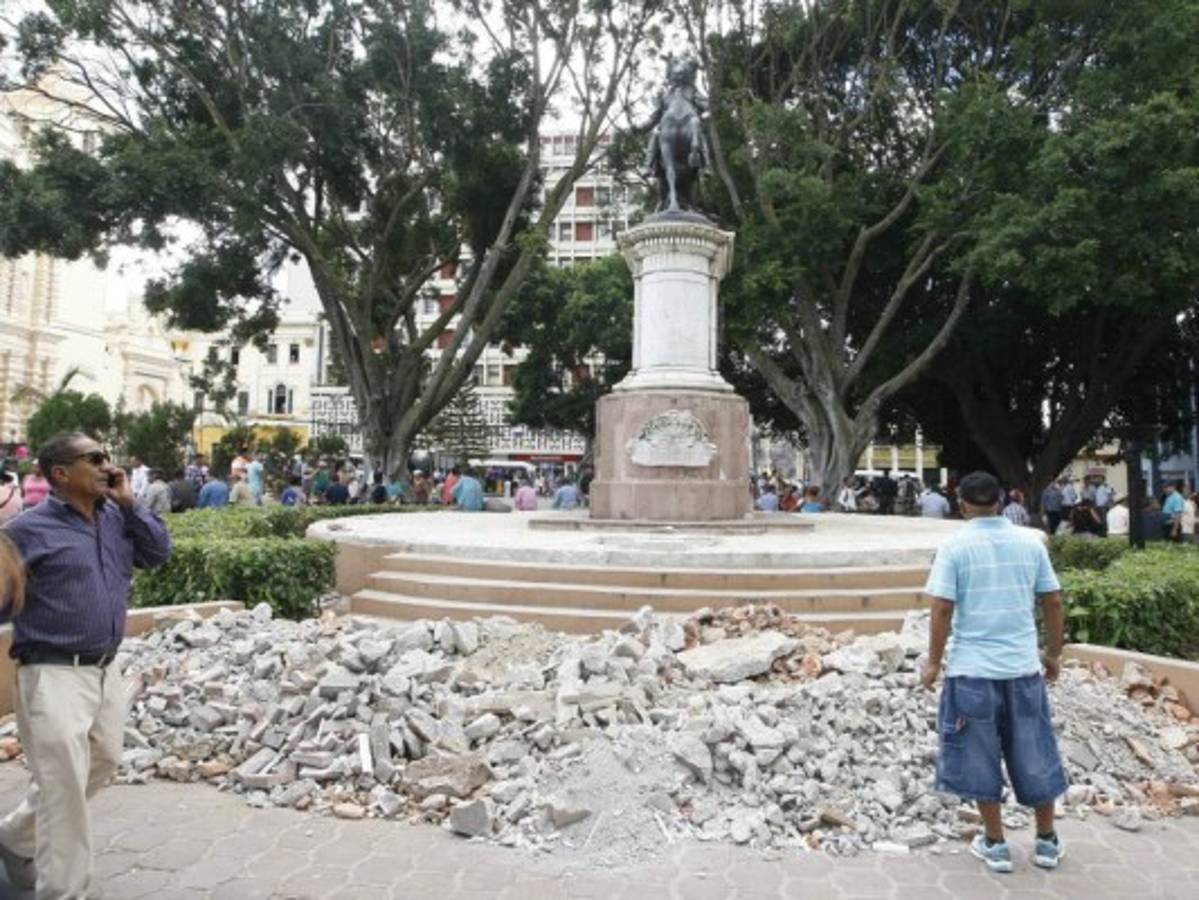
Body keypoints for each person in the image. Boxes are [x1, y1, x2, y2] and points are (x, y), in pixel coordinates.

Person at [0, 431, 171, 897]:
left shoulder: (116, 518)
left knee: (104, 760)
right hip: (51, 672)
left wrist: (131, 505)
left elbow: (159, 552)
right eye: (94, 458)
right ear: (61, 474)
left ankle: (14, 837)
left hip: (104, 668)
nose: (107, 466)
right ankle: (64, 890)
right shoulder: (25, 531)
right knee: (63, 790)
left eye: (107, 457)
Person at [921, 471, 1066, 874]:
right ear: (1001, 501)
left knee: (978, 755)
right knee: (1035, 750)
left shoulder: (954, 547)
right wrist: (1053, 654)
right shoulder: (1030, 543)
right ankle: (1046, 841)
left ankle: (996, 844)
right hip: (1023, 668)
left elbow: (942, 608)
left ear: (961, 504)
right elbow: (1053, 601)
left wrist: (932, 662)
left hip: (971, 671)